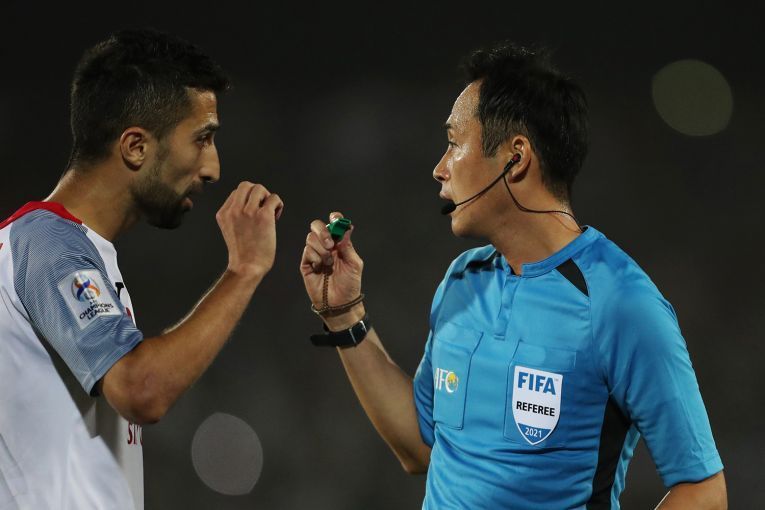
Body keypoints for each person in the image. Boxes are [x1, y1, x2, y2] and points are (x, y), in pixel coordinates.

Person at [300, 42, 726, 509]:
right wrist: (344, 314)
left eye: (454, 143)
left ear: (515, 157)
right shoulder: (463, 280)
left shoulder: (621, 303)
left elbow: (704, 491)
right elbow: (420, 447)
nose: (439, 169)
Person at [0, 29, 282, 509]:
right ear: (135, 147)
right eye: (202, 139)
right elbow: (141, 390)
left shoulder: (68, 247)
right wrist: (244, 269)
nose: (213, 168)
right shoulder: (47, 244)